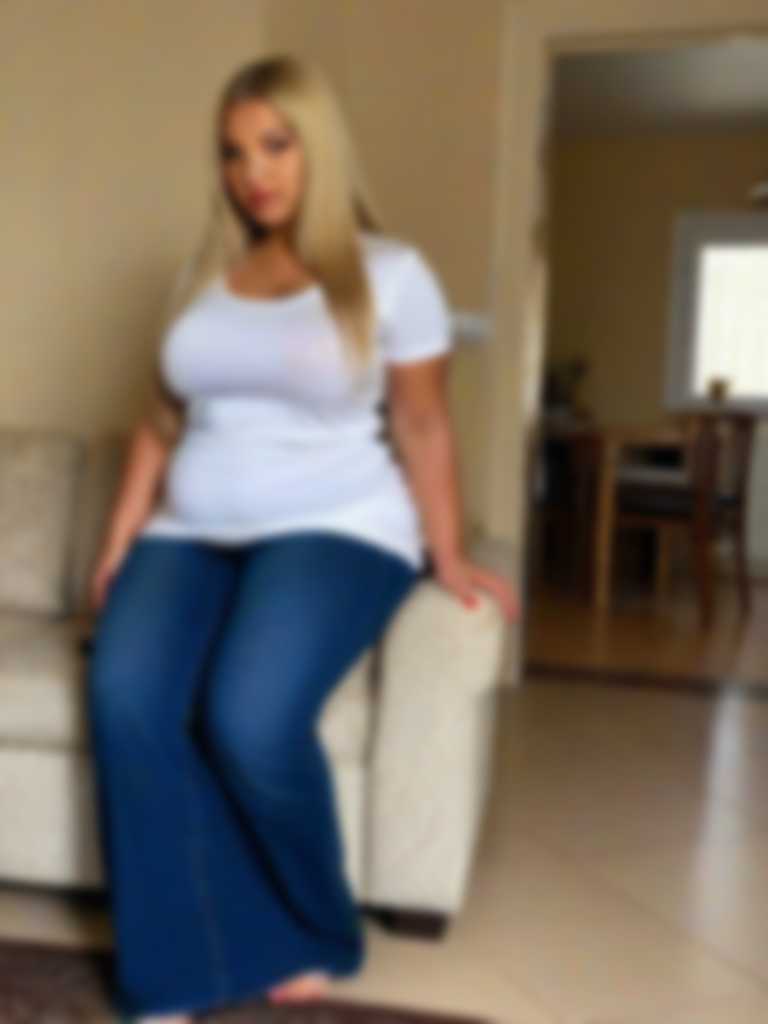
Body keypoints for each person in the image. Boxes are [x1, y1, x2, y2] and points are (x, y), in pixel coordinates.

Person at [85, 52, 519, 1024]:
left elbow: (422, 423)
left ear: (318, 145)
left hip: (336, 527)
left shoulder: (392, 273)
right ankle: (172, 974)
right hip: (189, 529)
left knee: (250, 716)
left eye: (276, 145)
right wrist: (119, 542)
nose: (255, 172)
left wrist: (448, 554)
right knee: (125, 696)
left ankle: (319, 926)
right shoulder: (203, 277)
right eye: (234, 152)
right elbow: (158, 421)